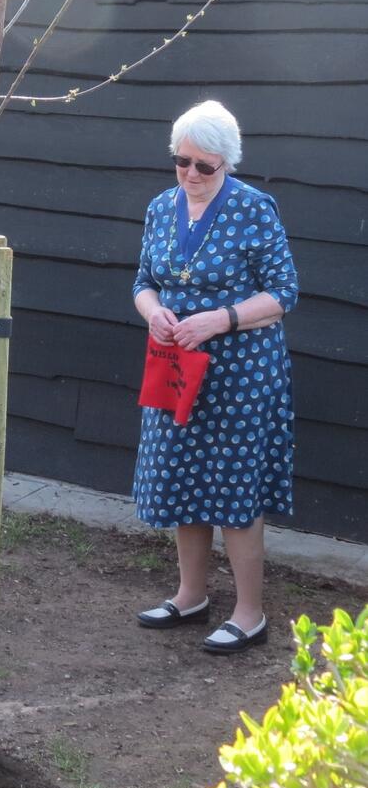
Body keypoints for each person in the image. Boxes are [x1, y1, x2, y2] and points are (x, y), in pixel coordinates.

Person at [132, 100, 298, 654]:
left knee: (233, 490)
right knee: (183, 478)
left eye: (206, 166)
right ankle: (190, 596)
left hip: (241, 373)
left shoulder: (255, 209)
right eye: (183, 162)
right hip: (177, 367)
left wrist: (220, 319)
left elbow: (282, 294)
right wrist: (154, 311)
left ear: (228, 163)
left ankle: (250, 614)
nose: (192, 175)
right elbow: (143, 281)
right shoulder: (161, 207)